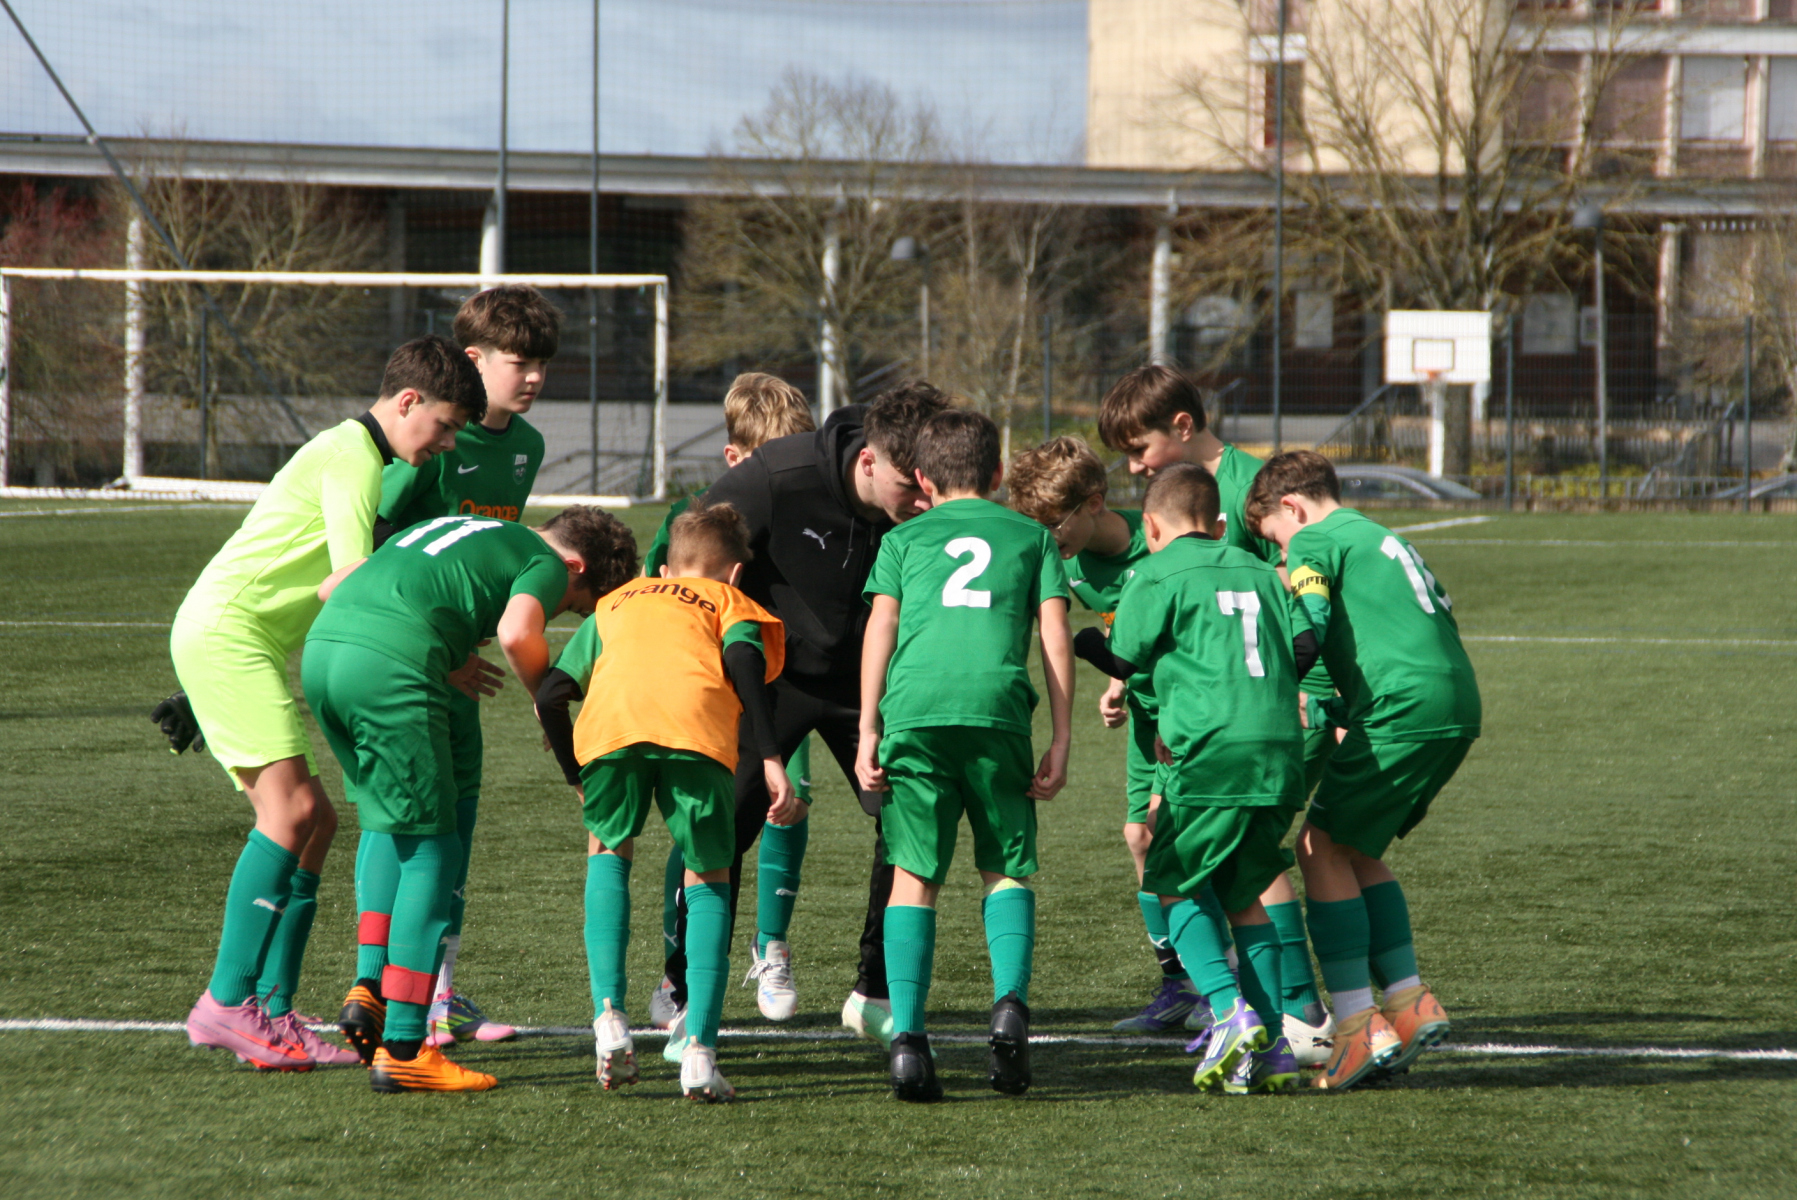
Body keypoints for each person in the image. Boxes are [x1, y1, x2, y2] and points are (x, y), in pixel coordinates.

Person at [167, 335, 483, 1073]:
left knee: (317, 821)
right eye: (443, 425)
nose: (445, 444)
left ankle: (273, 1011)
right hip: (230, 637)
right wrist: (437, 649)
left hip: (231, 637)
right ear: (408, 401)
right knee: (292, 814)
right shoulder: (354, 458)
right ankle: (226, 1003)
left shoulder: (354, 452)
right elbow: (348, 581)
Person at [309, 506, 637, 1093]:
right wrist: (545, 702)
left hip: (324, 656)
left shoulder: (452, 526)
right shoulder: (545, 562)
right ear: (577, 567)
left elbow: (331, 585)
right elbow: (516, 633)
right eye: (573, 605)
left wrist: (449, 651)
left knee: (388, 826)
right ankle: (405, 1046)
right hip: (388, 668)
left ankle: (371, 987)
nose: (561, 609)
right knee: (434, 850)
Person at [669, 382, 949, 1051]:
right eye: (910, 489)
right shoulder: (779, 474)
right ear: (869, 461)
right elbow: (690, 556)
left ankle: (874, 993)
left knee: (906, 814)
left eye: (931, 488)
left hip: (870, 684)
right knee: (717, 823)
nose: (923, 504)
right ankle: (684, 996)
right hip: (773, 677)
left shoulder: (929, 499)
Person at [1097, 365, 1339, 1065]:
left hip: (1240, 711)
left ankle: (1291, 1007)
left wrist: (1308, 687)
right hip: (1202, 706)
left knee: (1216, 867)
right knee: (1204, 856)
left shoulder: (1248, 487)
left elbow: (1300, 582)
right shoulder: (1187, 506)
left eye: (1140, 449)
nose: (1134, 466)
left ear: (1181, 426)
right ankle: (1256, 1018)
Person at [536, 502, 792, 1103]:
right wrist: (771, 755)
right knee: (709, 879)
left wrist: (574, 772)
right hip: (694, 734)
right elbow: (744, 661)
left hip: (611, 733)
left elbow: (551, 694)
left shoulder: (616, 602)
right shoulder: (729, 600)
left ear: (667, 568)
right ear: (734, 573)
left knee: (608, 855)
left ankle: (609, 1017)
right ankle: (699, 1050)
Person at [1074, 464, 1317, 1094]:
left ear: (1151, 527)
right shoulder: (1260, 568)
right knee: (1246, 892)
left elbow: (1122, 659)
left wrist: (1082, 642)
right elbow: (1306, 648)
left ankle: (1228, 1009)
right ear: (1216, 523)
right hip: (1278, 751)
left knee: (1171, 881)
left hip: (1212, 749)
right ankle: (1274, 1047)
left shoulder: (1155, 573)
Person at [856, 409, 1074, 1102]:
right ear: (999, 472)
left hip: (915, 710)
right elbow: (1054, 636)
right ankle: (1008, 1007)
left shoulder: (902, 538)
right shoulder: (1032, 537)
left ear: (921, 478)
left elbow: (881, 627)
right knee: (1004, 868)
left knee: (913, 875)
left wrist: (867, 728)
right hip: (996, 710)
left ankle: (908, 1044)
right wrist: (1061, 736)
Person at [1246, 450, 1481, 1091]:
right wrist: (1332, 705)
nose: (1283, 554)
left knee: (1316, 847)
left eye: (1276, 540)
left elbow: (1310, 625)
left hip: (1402, 706)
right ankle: (1408, 999)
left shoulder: (1315, 539)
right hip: (1454, 700)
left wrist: (1266, 686)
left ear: (1292, 508)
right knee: (1355, 849)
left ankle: (1355, 1025)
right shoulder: (1380, 536)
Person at [374, 284, 561, 1047]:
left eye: (543, 364)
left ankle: (436, 992)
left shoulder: (527, 446)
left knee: (456, 824)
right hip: (408, 657)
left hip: (462, 658)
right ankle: (388, 993)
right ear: (473, 357)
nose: (535, 377)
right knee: (409, 824)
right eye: (520, 362)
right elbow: (372, 539)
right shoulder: (427, 442)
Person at [1008, 435, 1204, 1035]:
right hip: (1148, 716)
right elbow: (1127, 637)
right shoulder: (1065, 563)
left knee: (1178, 841)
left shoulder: (1161, 542)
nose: (1045, 536)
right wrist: (1120, 683)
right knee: (1139, 836)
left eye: (1052, 522)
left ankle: (1221, 981)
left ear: (1094, 503)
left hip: (1191, 716)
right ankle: (1180, 983)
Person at [639, 373, 817, 1029]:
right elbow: (655, 597)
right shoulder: (695, 516)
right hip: (712, 689)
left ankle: (772, 947)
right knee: (704, 820)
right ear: (735, 458)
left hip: (790, 679)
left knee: (789, 799)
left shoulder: (815, 509)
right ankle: (679, 971)